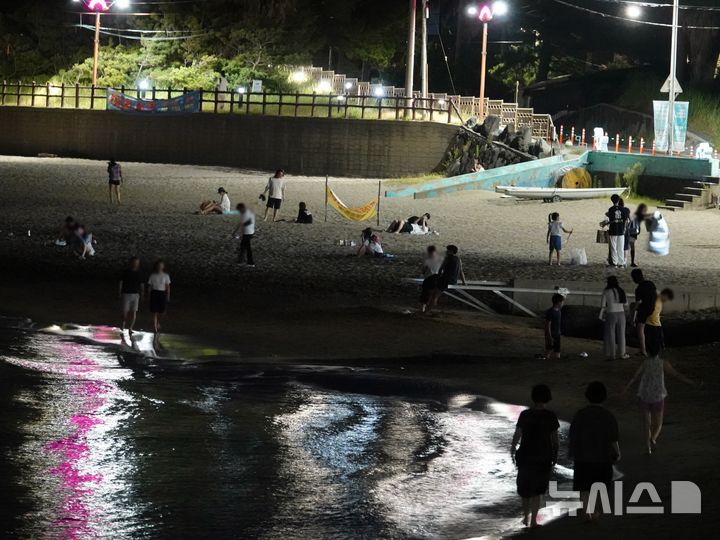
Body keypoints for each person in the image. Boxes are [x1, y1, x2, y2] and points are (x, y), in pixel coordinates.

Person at [624, 312, 698, 454]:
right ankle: (653, 438)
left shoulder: (645, 363)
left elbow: (634, 377)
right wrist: (692, 383)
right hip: (658, 395)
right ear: (659, 350)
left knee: (646, 422)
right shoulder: (663, 363)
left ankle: (647, 445)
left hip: (644, 395)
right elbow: (677, 375)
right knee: (658, 422)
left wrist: (625, 388)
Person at [569, 382, 621, 520]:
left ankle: (587, 511)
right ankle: (595, 510)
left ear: (587, 396)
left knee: (584, 487)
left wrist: (572, 452)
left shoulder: (580, 414)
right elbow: (613, 438)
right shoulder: (608, 416)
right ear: (604, 397)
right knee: (600, 486)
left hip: (582, 457)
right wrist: (617, 452)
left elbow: (573, 435)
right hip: (603, 458)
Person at [510, 384, 560, 528]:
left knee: (525, 489)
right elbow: (555, 440)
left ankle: (525, 517)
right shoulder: (550, 416)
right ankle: (533, 521)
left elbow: (517, 434)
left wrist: (512, 449)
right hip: (543, 457)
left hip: (525, 456)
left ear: (533, 397)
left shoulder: (525, 415)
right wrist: (554, 457)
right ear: (547, 398)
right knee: (538, 490)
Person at [599, 276, 629, 361]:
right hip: (621, 314)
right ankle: (622, 354)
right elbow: (626, 304)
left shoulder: (606, 291)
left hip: (611, 313)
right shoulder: (621, 291)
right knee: (621, 334)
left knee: (610, 334)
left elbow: (603, 305)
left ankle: (612, 354)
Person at [631, 269, 656, 357]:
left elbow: (637, 304)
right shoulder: (650, 283)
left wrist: (633, 314)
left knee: (640, 329)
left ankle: (643, 350)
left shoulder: (638, 289)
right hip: (653, 308)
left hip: (644, 310)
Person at [118, 256, 143, 334]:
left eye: (137, 263)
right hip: (126, 294)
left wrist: (142, 293)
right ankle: (123, 322)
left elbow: (142, 284)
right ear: (131, 263)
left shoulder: (139, 273)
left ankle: (130, 328)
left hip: (136, 294)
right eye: (134, 262)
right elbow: (121, 282)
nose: (135, 264)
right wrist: (119, 292)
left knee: (134, 312)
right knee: (124, 312)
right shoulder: (126, 272)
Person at [602, 194, 627, 267]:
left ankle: (614, 263)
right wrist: (624, 228)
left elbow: (611, 220)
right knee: (621, 247)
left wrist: (605, 224)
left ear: (612, 201)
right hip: (621, 230)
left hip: (613, 230)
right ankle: (621, 263)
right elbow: (625, 220)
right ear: (618, 200)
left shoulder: (611, 209)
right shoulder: (623, 209)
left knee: (613, 247)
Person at [147, 260, 171, 334]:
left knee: (162, 311)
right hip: (154, 292)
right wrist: (148, 295)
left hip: (162, 293)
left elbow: (167, 286)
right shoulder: (152, 275)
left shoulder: (166, 276)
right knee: (154, 311)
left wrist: (168, 295)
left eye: (161, 265)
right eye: (158, 265)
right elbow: (150, 286)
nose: (160, 267)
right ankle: (155, 327)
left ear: (163, 267)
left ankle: (158, 322)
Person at [231, 203, 256, 267]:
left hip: (247, 233)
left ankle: (250, 262)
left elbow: (241, 225)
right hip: (250, 232)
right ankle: (241, 261)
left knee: (247, 248)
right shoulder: (248, 212)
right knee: (243, 247)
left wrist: (235, 232)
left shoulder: (245, 214)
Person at [419, 245, 443, 312]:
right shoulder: (441, 259)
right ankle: (429, 309)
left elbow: (423, 270)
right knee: (434, 295)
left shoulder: (427, 260)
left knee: (425, 293)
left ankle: (423, 309)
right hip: (438, 278)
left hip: (429, 278)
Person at [544, 293, 564, 360]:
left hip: (557, 333)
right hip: (551, 334)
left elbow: (558, 323)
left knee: (557, 350)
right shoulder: (550, 312)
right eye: (562, 302)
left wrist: (559, 331)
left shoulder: (559, 311)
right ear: (558, 302)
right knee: (549, 349)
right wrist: (549, 337)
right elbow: (547, 325)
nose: (562, 303)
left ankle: (557, 359)